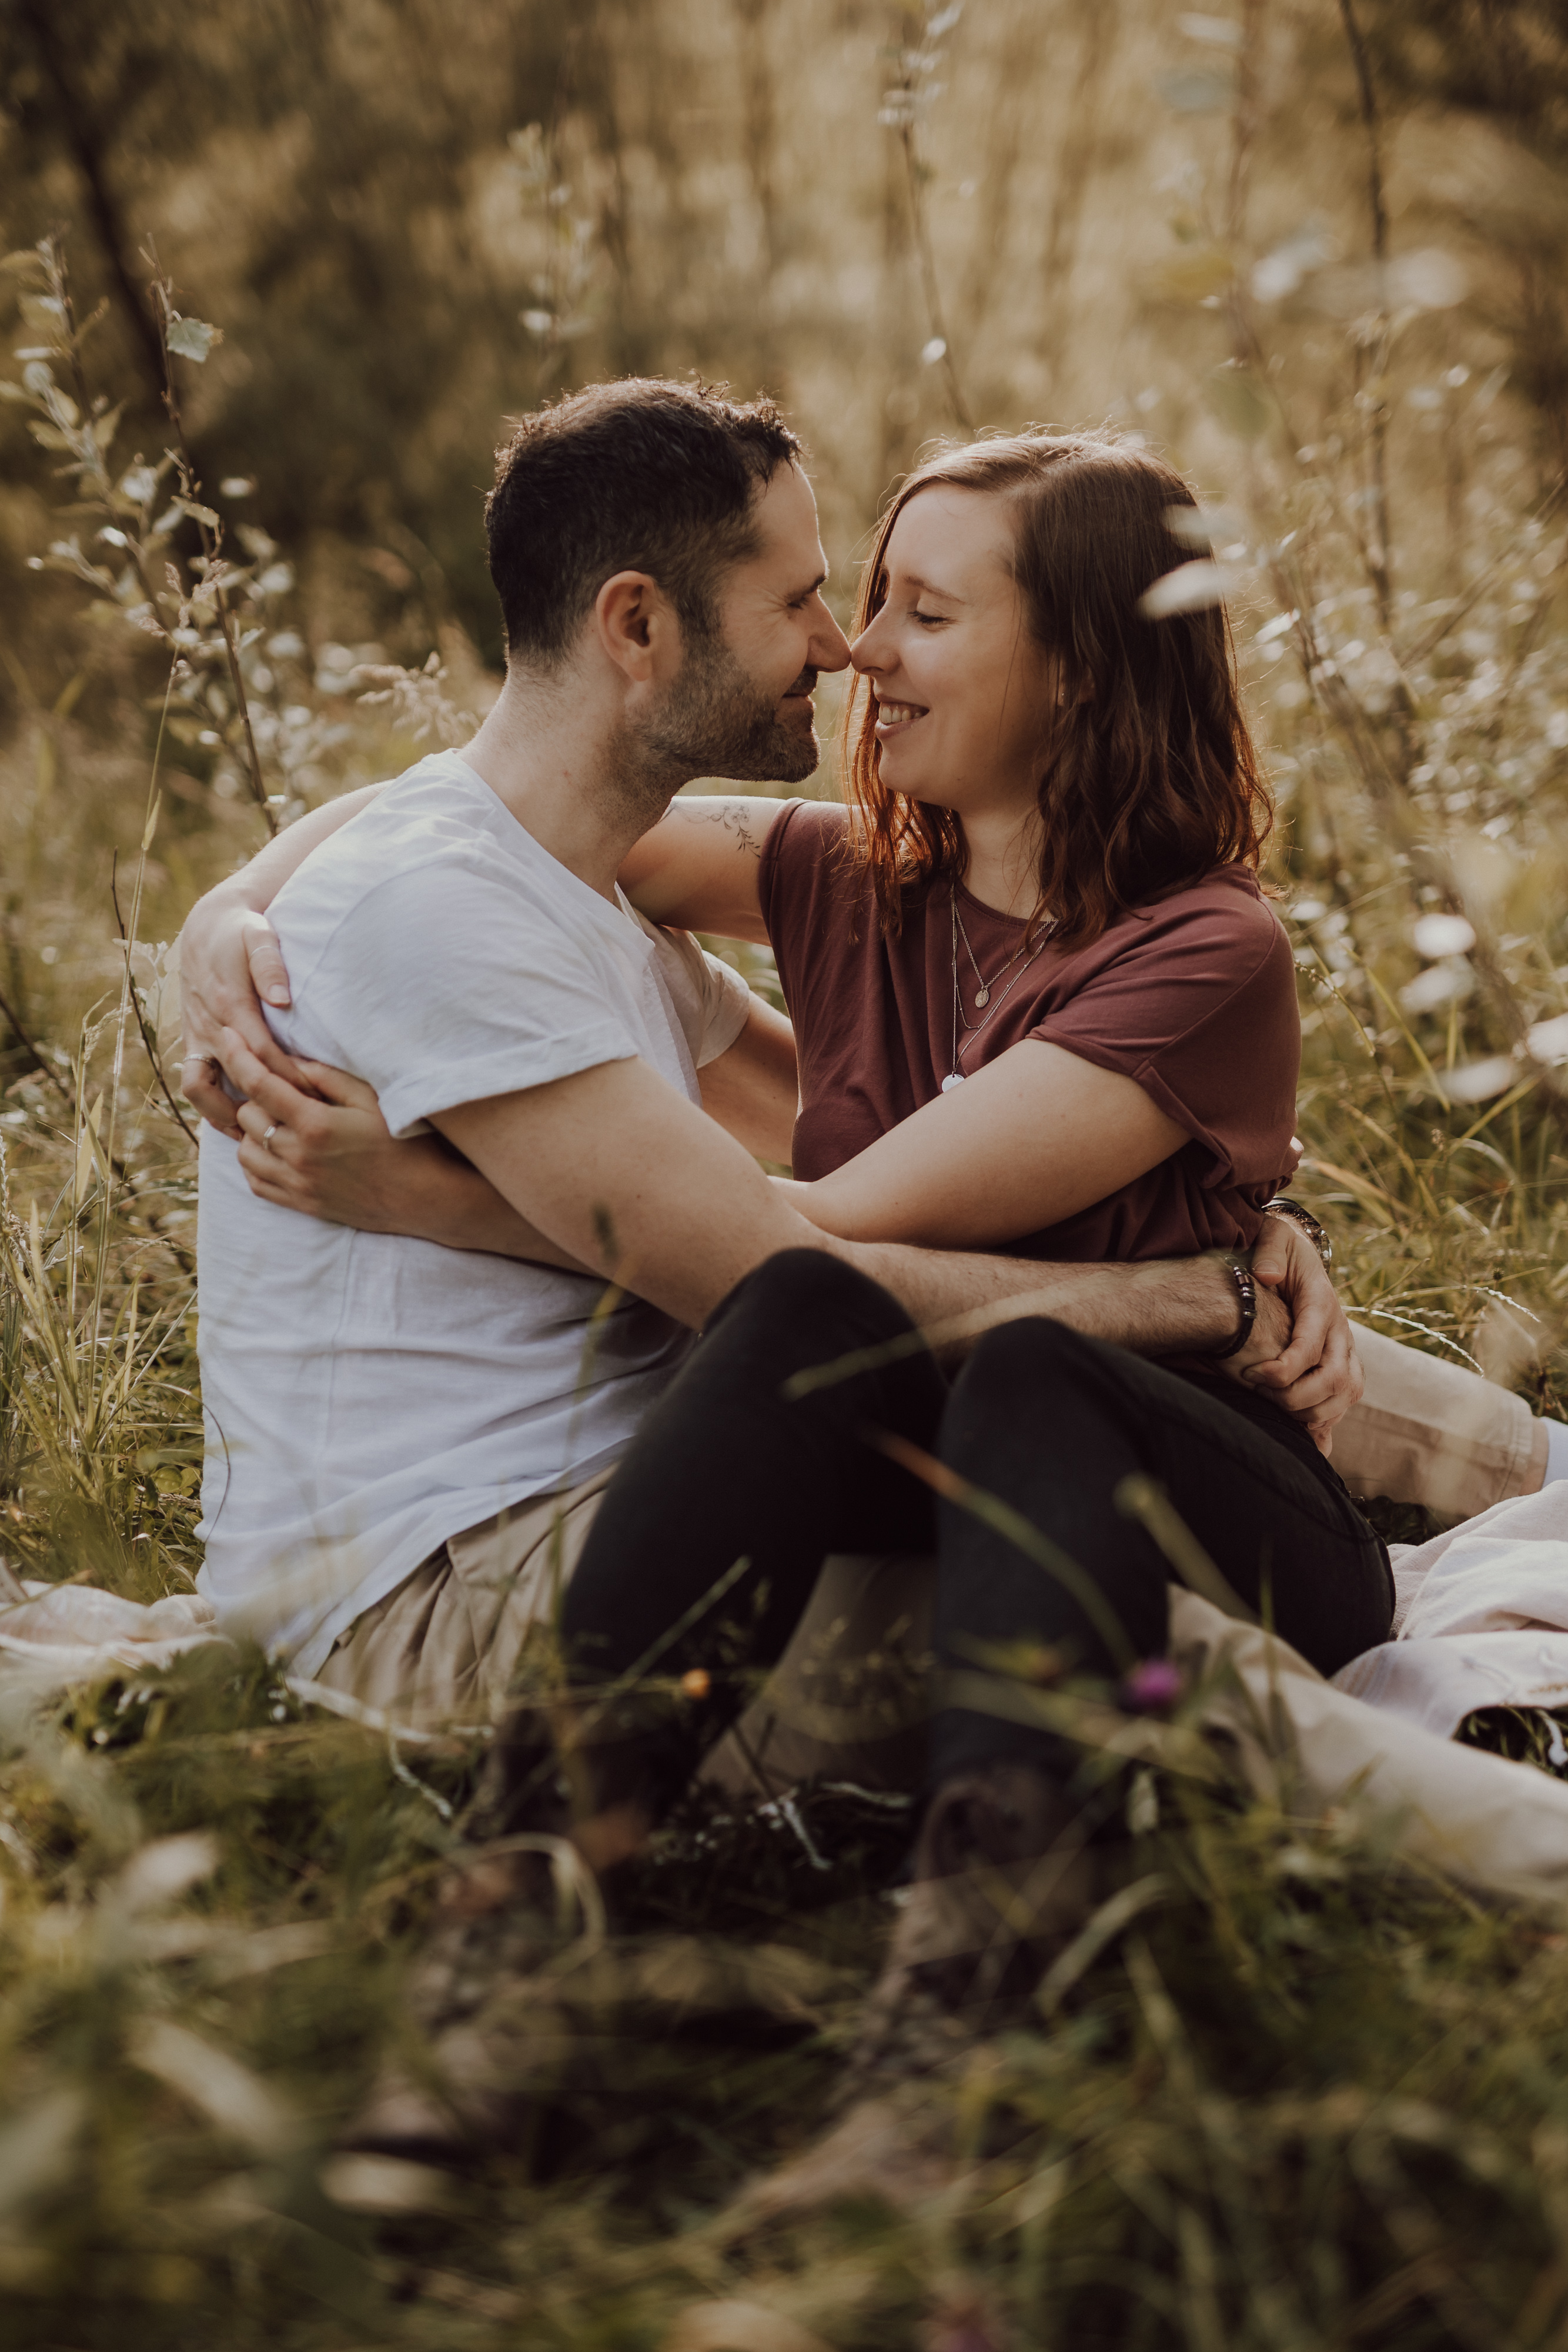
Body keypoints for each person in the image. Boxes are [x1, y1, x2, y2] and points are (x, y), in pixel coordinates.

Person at [182, 387, 1351, 1744]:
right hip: (525, 1539)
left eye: (919, 612)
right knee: (1118, 1591)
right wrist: (232, 907)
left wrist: (1223, 1240)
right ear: (637, 624)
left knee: (1170, 1433)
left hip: (845, 1448)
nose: (846, 646)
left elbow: (810, 1208)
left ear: (1078, 665)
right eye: (824, 599)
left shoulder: (1185, 948)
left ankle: (1523, 1474)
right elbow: (484, 822)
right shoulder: (801, 877)